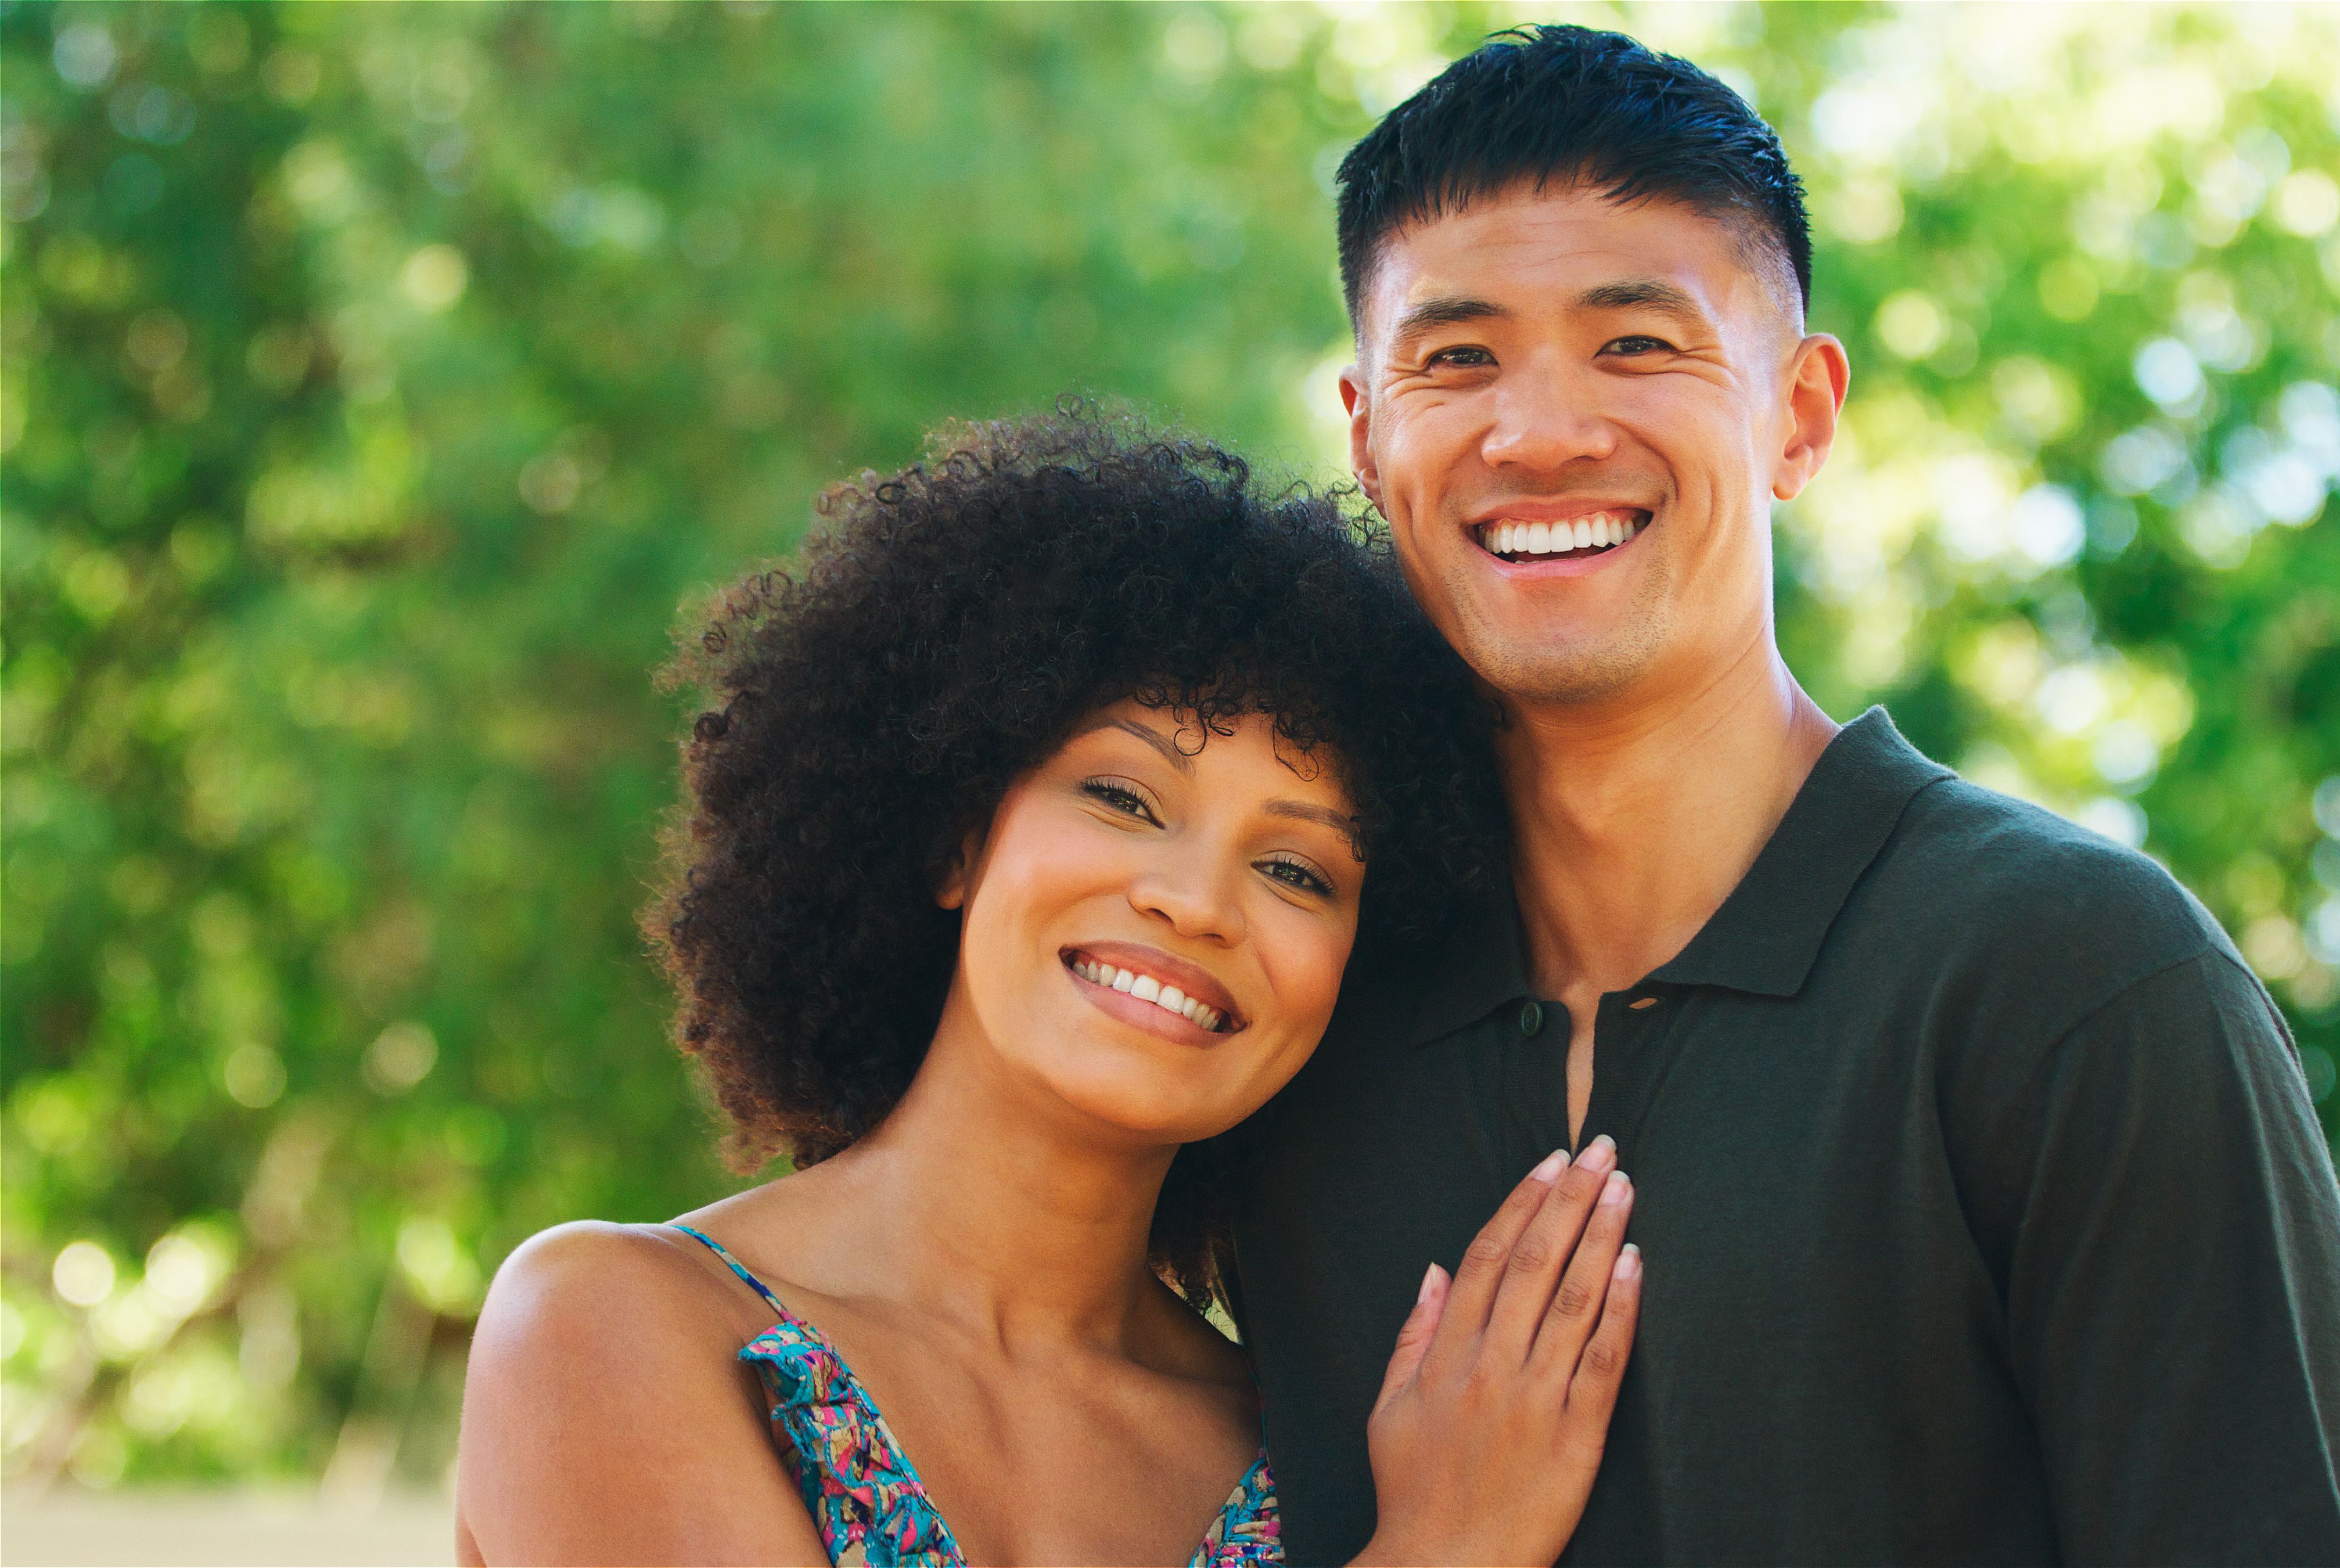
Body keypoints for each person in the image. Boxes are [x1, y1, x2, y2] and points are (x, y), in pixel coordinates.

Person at [1229, 27, 2340, 1566]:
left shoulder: (2078, 983)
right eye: (1457, 358)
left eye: (1637, 344)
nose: (1544, 429)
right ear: (1368, 434)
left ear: (1802, 415)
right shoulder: (1286, 1008)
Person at [454, 414, 1648, 1566]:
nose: (1197, 903)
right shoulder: (611, 1325)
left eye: (1295, 869)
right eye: (1125, 799)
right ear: (957, 840)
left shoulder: (1309, 1450)